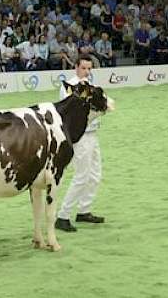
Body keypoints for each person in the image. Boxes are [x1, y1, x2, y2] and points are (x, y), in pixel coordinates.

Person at [55, 54, 104, 233]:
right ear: (75, 67)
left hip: (92, 134)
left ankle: (84, 210)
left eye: (89, 68)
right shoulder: (69, 87)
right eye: (84, 68)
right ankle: (63, 215)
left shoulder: (90, 86)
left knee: (95, 174)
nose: (87, 71)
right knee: (81, 175)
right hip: (79, 136)